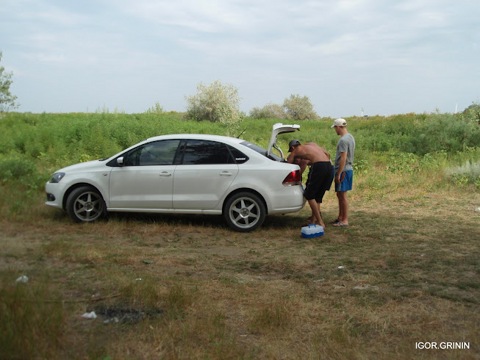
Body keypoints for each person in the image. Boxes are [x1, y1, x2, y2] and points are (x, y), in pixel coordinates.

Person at [287, 140, 334, 228]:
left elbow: (288, 164)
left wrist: (296, 178)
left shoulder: (297, 150)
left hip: (320, 166)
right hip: (329, 166)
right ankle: (314, 219)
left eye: (291, 150)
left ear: (293, 147)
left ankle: (320, 222)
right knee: (318, 196)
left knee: (309, 195)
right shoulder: (312, 145)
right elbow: (327, 154)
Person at [331, 118, 355, 227]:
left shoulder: (343, 140)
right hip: (347, 169)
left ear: (339, 127)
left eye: (335, 128)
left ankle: (344, 220)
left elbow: (343, 158)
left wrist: (339, 173)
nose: (335, 130)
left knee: (343, 195)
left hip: (344, 170)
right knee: (339, 194)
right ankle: (340, 217)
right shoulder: (350, 137)